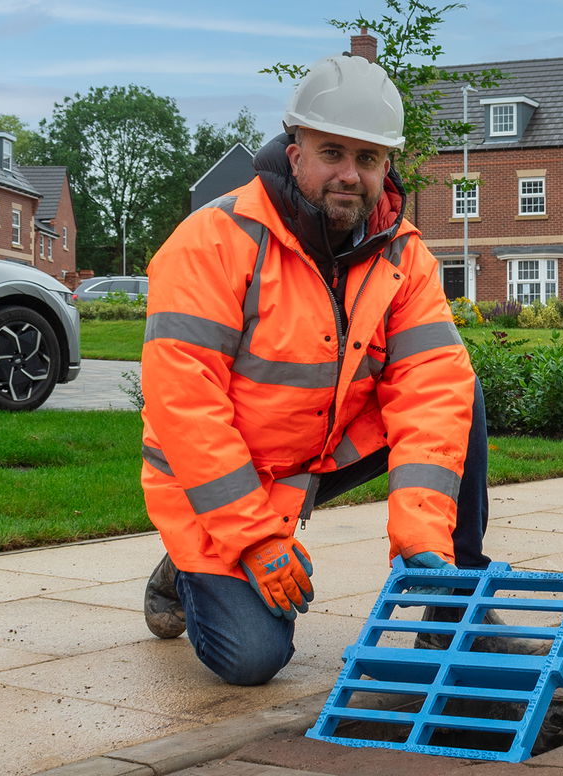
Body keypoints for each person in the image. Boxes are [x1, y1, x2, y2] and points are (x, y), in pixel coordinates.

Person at [138, 54, 531, 686]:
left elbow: (432, 388)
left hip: (321, 451)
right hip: (217, 476)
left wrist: (424, 545)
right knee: (253, 660)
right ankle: (193, 560)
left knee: (463, 389)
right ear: (295, 154)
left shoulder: (403, 254)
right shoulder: (212, 241)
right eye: (332, 152)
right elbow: (184, 407)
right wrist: (256, 539)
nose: (351, 174)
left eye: (369, 158)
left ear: (386, 165)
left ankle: (452, 606)